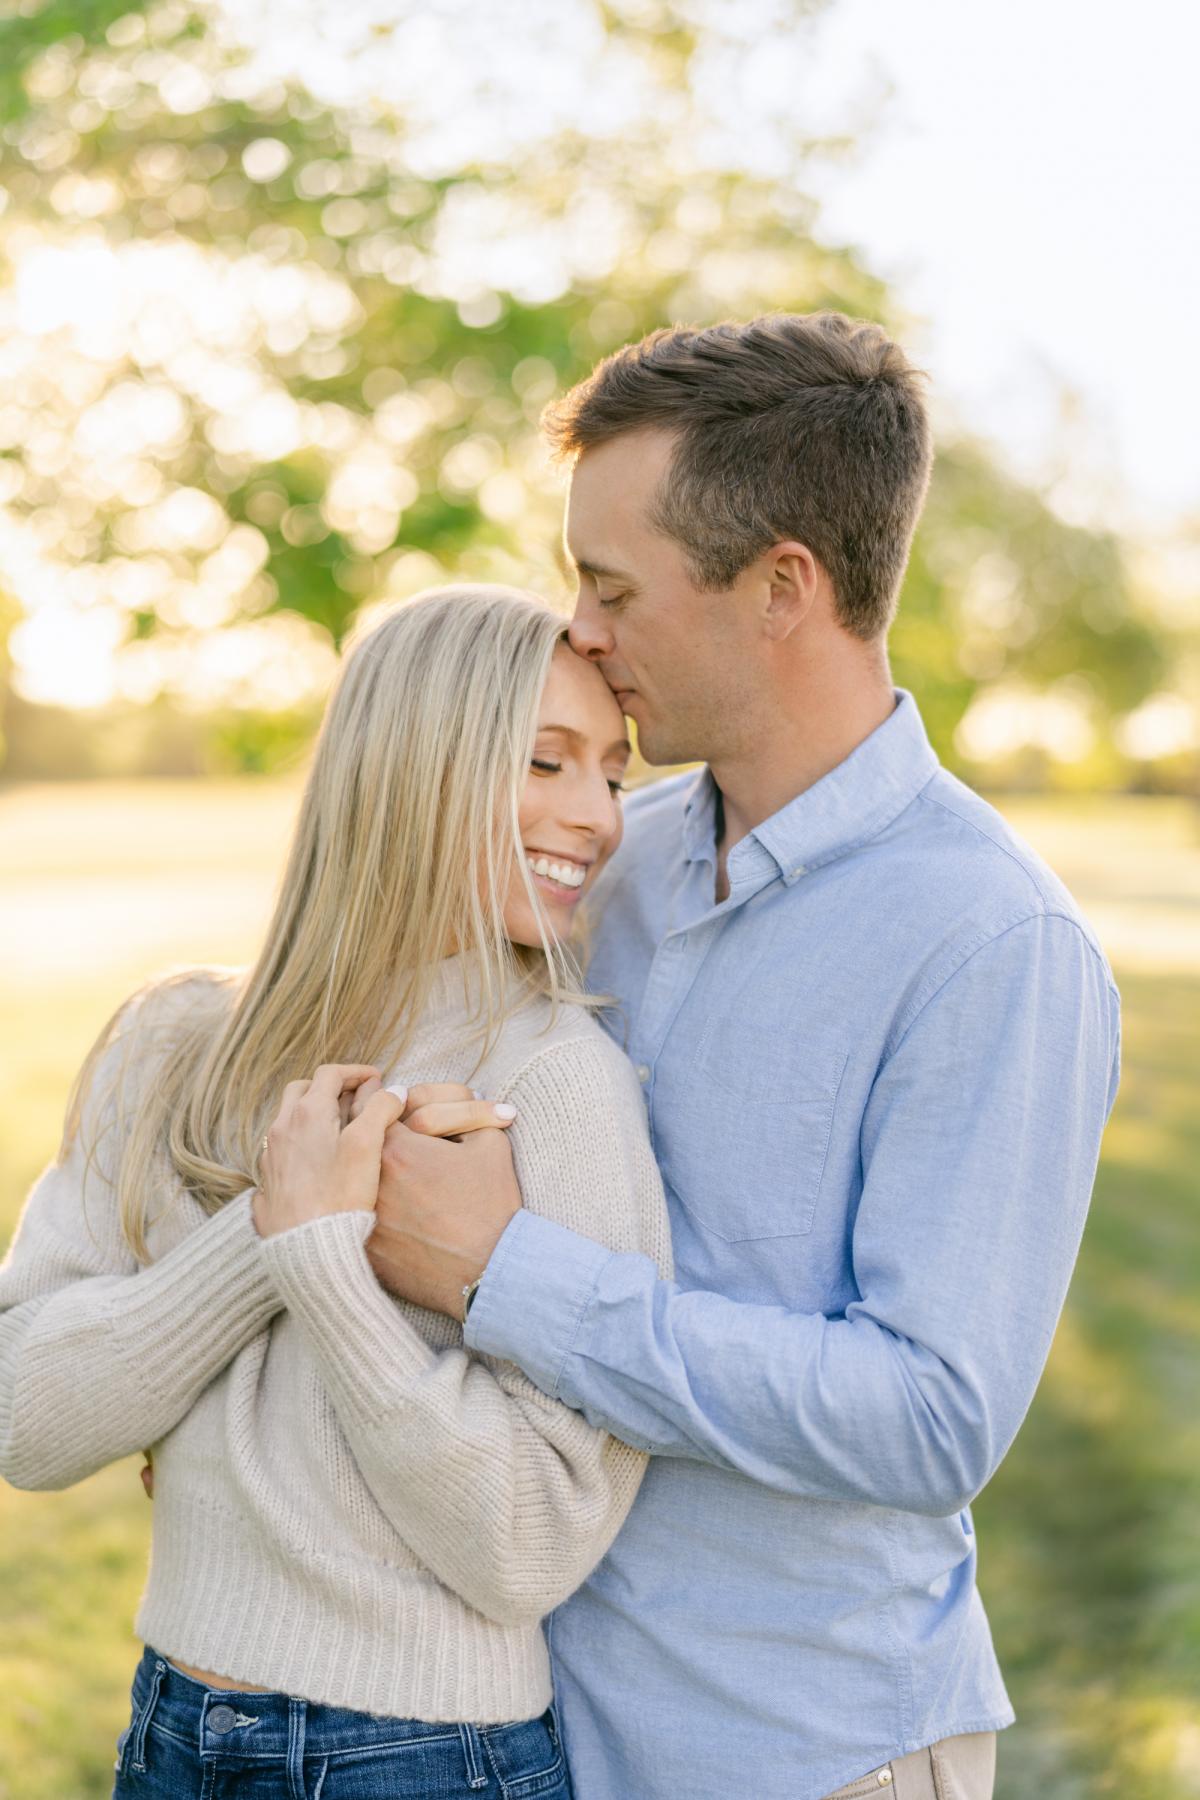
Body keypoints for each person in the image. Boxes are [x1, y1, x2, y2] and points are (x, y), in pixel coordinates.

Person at [363, 315, 1123, 1800]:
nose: (576, 631)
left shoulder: (991, 943)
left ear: (783, 586)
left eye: (612, 587)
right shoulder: (602, 863)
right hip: (521, 1726)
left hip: (801, 1752)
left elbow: (929, 1418)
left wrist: (506, 1274)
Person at [0, 586, 671, 1797]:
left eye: (613, 777)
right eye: (547, 762)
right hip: (170, 1731)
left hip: (427, 1757)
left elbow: (531, 1539)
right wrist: (269, 1238)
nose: (598, 817)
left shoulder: (557, 1083)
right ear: (417, 764)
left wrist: (326, 1263)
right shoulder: (173, 1045)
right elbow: (25, 1420)